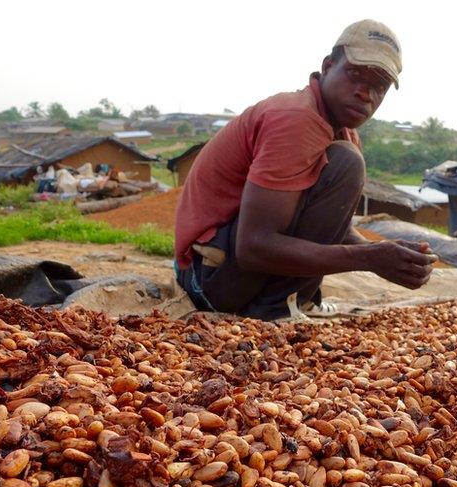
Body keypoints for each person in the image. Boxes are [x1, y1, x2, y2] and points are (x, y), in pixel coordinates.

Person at [173, 20, 436, 320]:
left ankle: (296, 299)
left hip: (226, 272)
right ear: (327, 67)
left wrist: (390, 256)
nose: (366, 94)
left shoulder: (344, 132)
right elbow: (253, 247)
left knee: (346, 162)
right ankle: (274, 309)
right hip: (207, 278)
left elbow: (330, 228)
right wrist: (369, 258)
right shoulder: (296, 119)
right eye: (355, 75)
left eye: (380, 86)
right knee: (347, 163)